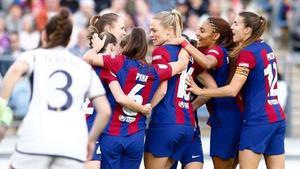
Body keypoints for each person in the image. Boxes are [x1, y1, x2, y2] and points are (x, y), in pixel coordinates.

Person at [0, 8, 111, 169]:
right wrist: (91, 140)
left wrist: (2, 111)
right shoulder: (82, 66)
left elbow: (16, 71)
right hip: (72, 144)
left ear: (44, 35)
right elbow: (105, 111)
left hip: (36, 138)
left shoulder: (34, 55)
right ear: (68, 41)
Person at [187, 11, 286, 169]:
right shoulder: (266, 47)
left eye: (236, 23)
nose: (231, 27)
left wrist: (201, 91)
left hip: (257, 119)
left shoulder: (247, 53)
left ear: (247, 30)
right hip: (277, 117)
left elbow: (232, 90)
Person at [83, 27, 189, 169]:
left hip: (113, 134)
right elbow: (182, 64)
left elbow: (88, 58)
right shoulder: (154, 71)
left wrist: (96, 48)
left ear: (126, 46)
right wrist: (185, 44)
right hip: (136, 136)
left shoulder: (118, 62)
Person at [175, 17, 243, 169]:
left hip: (226, 118)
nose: (197, 33)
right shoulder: (215, 50)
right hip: (231, 115)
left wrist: (183, 42)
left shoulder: (215, 50)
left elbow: (207, 63)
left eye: (202, 30)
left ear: (215, 36)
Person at [143, 10, 195, 169]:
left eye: (154, 30)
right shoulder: (187, 52)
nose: (150, 34)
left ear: (169, 31)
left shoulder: (161, 51)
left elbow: (163, 89)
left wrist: (146, 108)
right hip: (187, 123)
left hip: (165, 121)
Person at [84, 13, 127, 169]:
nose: (124, 32)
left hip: (101, 127)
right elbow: (120, 97)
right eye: (122, 28)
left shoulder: (96, 56)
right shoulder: (104, 61)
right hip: (89, 125)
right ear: (109, 28)